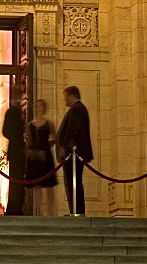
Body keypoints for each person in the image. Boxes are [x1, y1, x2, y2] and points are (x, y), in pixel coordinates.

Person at [56, 86, 93, 216]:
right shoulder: (77, 109)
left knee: (74, 182)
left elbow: (72, 130)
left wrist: (64, 146)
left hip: (74, 153)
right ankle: (75, 210)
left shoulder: (77, 109)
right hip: (73, 153)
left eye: (65, 96)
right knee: (72, 181)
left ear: (72, 96)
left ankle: (77, 210)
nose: (64, 99)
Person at [26, 98, 57, 217]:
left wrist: (47, 146)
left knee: (49, 184)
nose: (37, 108)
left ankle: (50, 209)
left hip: (46, 154)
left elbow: (54, 138)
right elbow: (29, 140)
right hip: (35, 156)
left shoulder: (49, 123)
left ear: (44, 108)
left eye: (40, 106)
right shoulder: (30, 124)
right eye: (36, 106)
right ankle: (39, 210)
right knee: (37, 185)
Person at [2, 84, 26, 215]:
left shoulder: (19, 111)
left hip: (18, 151)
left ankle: (17, 206)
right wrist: (18, 137)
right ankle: (14, 208)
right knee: (15, 181)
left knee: (18, 180)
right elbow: (6, 131)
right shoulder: (12, 111)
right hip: (16, 151)